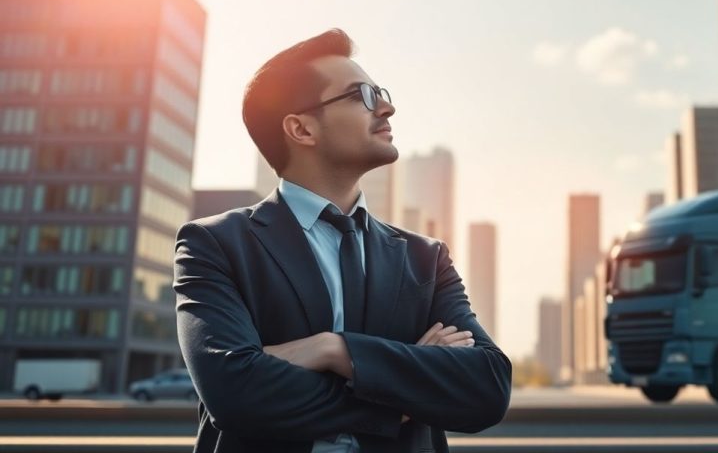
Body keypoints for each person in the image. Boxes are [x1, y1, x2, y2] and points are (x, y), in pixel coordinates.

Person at [174, 28, 511, 453]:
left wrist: (331, 349)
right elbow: (235, 391)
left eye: (380, 93)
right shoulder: (214, 245)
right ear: (301, 129)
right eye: (362, 95)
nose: (387, 107)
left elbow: (487, 386)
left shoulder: (425, 258)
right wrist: (404, 392)